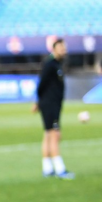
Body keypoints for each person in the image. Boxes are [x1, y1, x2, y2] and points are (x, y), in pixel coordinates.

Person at [34, 37, 74, 179]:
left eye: (65, 48)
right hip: (50, 104)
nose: (64, 50)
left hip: (52, 103)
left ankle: (47, 168)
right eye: (61, 48)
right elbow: (41, 84)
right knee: (55, 135)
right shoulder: (50, 64)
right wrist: (39, 101)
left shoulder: (57, 64)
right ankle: (60, 169)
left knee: (48, 134)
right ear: (54, 49)